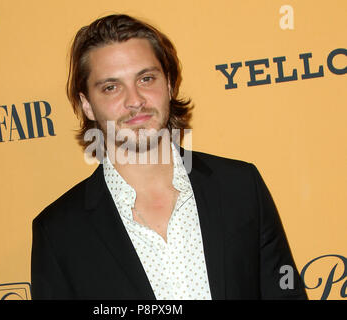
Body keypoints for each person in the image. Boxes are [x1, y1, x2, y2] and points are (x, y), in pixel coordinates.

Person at [31, 14, 307, 300]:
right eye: (111, 87)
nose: (135, 100)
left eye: (146, 78)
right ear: (87, 105)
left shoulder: (239, 187)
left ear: (170, 84)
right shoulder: (58, 233)